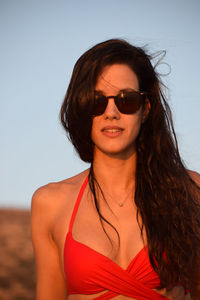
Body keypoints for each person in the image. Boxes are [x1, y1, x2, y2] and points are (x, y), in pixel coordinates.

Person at [31, 39, 200, 300]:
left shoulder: (190, 191)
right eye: (97, 101)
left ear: (145, 109)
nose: (111, 112)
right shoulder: (50, 203)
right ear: (82, 109)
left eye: (127, 100)